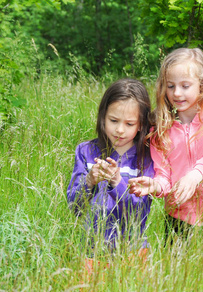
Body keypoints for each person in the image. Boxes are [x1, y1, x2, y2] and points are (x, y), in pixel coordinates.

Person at [129, 48, 203, 240]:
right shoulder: (160, 130)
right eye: (171, 86)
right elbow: (164, 177)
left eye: (185, 86)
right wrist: (154, 185)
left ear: (201, 85)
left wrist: (194, 176)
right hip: (179, 217)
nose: (177, 93)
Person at [66, 78, 154, 268]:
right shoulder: (86, 152)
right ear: (103, 116)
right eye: (113, 120)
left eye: (129, 124)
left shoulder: (146, 159)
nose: (120, 130)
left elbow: (140, 213)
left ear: (140, 125)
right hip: (91, 250)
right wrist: (89, 181)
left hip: (133, 250)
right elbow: (74, 207)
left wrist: (117, 182)